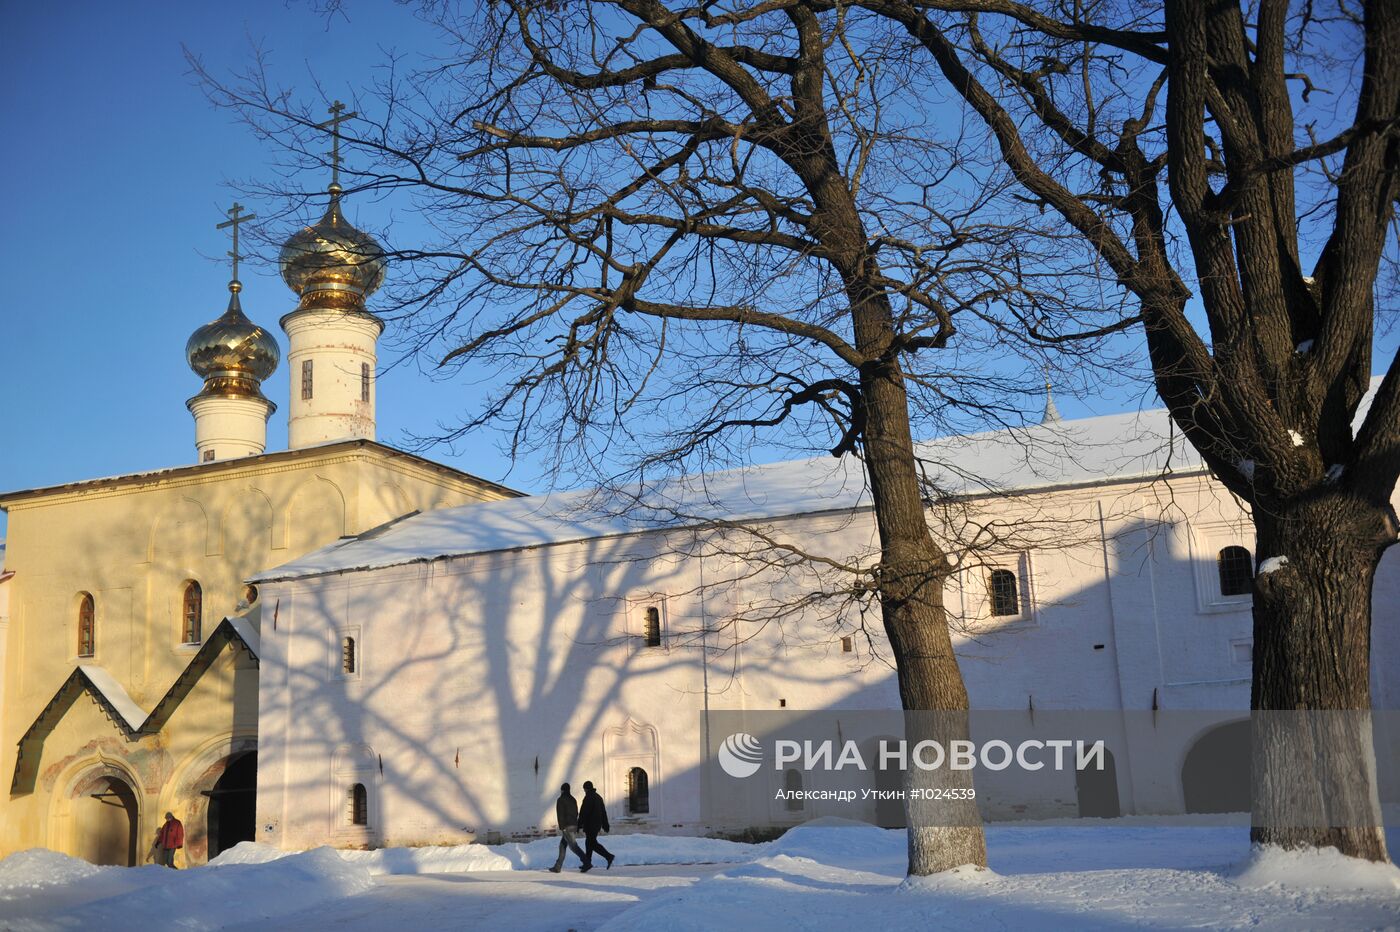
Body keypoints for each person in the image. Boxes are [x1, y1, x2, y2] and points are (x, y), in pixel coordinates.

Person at [548, 783, 589, 873]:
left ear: (562, 790)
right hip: (574, 825)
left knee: (574, 846)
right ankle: (557, 866)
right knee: (562, 845)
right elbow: (576, 812)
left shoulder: (561, 800)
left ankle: (587, 862)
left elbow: (560, 815)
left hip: (567, 826)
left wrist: (562, 827)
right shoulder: (573, 799)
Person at [578, 780, 615, 870]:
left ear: (586, 788)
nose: (584, 791)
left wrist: (579, 824)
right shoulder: (598, 797)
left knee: (592, 843)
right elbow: (603, 812)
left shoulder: (588, 797)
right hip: (596, 825)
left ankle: (608, 856)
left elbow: (584, 812)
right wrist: (605, 824)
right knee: (589, 842)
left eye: (584, 789)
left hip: (590, 825)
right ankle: (588, 863)